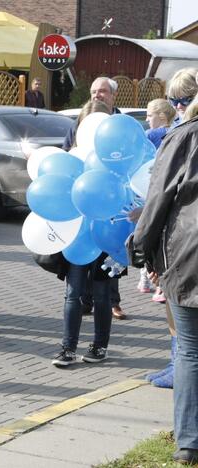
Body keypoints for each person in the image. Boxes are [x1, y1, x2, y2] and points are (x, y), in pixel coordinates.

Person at [132, 97, 198, 465]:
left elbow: (158, 198)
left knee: (190, 350)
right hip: (188, 254)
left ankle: (189, 441)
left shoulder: (182, 137)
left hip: (188, 255)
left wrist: (141, 248)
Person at [62, 77, 126, 320]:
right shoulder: (80, 121)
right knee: (84, 250)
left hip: (111, 199)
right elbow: (69, 151)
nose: (97, 95)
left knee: (111, 253)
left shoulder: (121, 123)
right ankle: (85, 300)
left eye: (102, 91)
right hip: (84, 198)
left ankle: (113, 302)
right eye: (93, 91)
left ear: (113, 95)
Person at [138, 98, 175, 304]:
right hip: (165, 191)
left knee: (149, 234)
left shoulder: (152, 135)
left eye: (149, 115)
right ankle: (152, 281)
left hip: (151, 190)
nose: (147, 119)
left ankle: (151, 280)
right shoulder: (179, 129)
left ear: (161, 117)